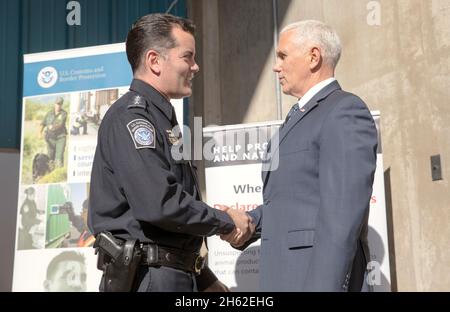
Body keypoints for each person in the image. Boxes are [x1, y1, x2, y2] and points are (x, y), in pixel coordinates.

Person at [88, 13, 253, 292]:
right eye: (187, 56)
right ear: (154, 61)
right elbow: (160, 204)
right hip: (148, 279)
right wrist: (226, 221)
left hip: (167, 274)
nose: (196, 66)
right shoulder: (133, 120)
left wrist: (203, 278)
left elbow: (165, 232)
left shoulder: (161, 119)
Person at [222, 20, 378, 292]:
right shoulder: (300, 118)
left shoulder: (343, 111)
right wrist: (251, 222)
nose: (275, 66)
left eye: (282, 56)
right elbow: (294, 204)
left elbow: (341, 220)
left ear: (313, 57)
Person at [40, 96, 68, 168]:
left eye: (60, 104)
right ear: (54, 104)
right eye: (57, 104)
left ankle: (59, 173)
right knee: (50, 156)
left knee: (59, 156)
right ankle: (51, 173)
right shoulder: (49, 113)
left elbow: (60, 124)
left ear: (61, 105)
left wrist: (51, 127)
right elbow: (43, 123)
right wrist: (39, 133)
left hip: (60, 137)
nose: (58, 105)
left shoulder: (64, 113)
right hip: (50, 138)